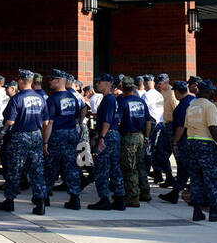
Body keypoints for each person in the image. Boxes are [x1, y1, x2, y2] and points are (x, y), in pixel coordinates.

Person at [0, 69, 48, 215]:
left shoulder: (17, 98)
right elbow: (46, 121)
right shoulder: (40, 98)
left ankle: (10, 201)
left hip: (20, 136)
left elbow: (10, 120)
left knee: (15, 169)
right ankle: (40, 202)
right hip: (36, 135)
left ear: (20, 81)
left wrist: (3, 133)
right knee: (37, 169)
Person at [178, 81, 217, 222]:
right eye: (211, 91)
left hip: (192, 143)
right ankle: (214, 211)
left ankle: (197, 211)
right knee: (212, 178)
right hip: (206, 144)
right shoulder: (209, 106)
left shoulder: (191, 106)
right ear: (206, 92)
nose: (213, 93)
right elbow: (213, 127)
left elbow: (187, 126)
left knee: (196, 178)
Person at [43, 70, 84, 209]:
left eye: (52, 79)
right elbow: (78, 115)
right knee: (71, 165)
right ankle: (75, 197)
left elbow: (50, 123)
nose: (50, 82)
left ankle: (45, 196)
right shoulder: (73, 97)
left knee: (51, 165)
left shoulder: (53, 99)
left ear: (59, 80)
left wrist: (45, 142)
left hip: (58, 134)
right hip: (72, 133)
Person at [89, 75, 125, 211]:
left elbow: (107, 121)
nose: (97, 84)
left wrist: (101, 137)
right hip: (113, 134)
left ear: (108, 83)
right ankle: (120, 198)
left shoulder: (108, 99)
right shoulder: (110, 99)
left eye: (99, 82)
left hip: (108, 135)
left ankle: (104, 198)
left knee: (102, 168)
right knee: (114, 167)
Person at [117, 76, 153, 207]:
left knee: (129, 168)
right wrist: (147, 137)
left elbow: (118, 120)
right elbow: (148, 121)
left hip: (128, 137)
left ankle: (133, 196)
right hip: (140, 136)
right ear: (133, 87)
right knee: (141, 165)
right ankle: (145, 191)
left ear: (122, 88)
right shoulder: (141, 102)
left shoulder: (123, 102)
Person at [160, 80, 194, 204]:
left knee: (187, 167)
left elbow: (180, 127)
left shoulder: (181, 107)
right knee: (184, 169)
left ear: (176, 92)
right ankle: (175, 193)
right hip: (195, 138)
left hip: (185, 141)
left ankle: (197, 196)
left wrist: (175, 142)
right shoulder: (194, 101)